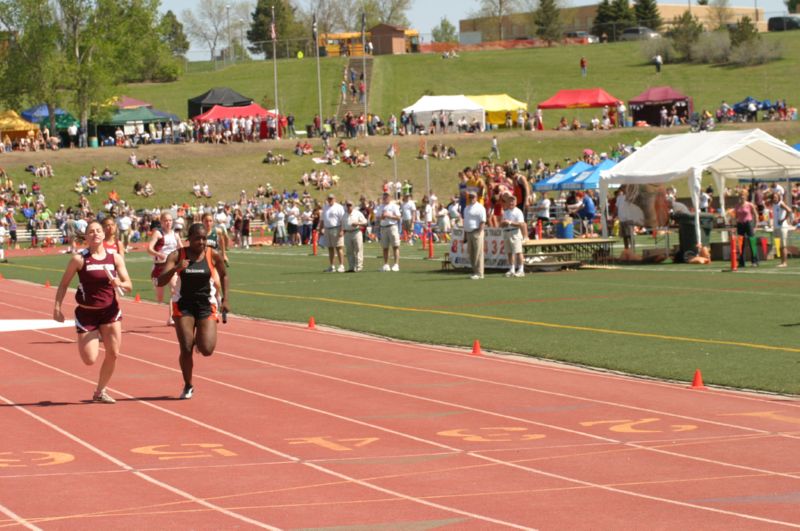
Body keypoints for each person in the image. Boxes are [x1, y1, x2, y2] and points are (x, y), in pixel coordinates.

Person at [53, 220, 132, 404]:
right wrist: (57, 308)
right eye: (91, 231)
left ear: (103, 234)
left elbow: (129, 285)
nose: (95, 233)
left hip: (110, 312)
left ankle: (100, 391)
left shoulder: (115, 258)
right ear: (86, 237)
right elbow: (63, 285)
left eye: (98, 230)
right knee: (90, 359)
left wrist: (119, 283)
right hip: (87, 314)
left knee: (113, 354)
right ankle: (94, 334)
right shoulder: (79, 259)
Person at [158, 223, 229, 400]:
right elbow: (160, 281)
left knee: (207, 349)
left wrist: (225, 299)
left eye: (204, 238)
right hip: (183, 305)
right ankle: (188, 385)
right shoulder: (177, 255)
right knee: (186, 347)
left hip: (206, 305)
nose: (202, 242)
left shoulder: (213, 255)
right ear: (188, 239)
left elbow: (224, 274)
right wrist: (176, 268)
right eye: (198, 238)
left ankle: (201, 339)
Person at [147, 212, 183, 324]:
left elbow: (181, 250)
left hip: (171, 266)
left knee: (174, 290)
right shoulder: (158, 233)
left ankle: (172, 317)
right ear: (161, 222)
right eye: (166, 220)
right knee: (160, 298)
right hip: (159, 267)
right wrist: (158, 254)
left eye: (170, 220)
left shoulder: (176, 235)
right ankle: (159, 292)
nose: (168, 223)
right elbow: (149, 249)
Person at [501, 194, 526, 277]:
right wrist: (503, 223)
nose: (511, 202)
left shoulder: (518, 211)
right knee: (509, 252)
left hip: (515, 232)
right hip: (507, 232)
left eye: (513, 201)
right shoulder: (506, 212)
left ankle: (521, 270)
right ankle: (512, 269)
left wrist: (510, 222)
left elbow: (521, 224)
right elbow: (502, 223)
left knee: (518, 251)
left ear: (515, 202)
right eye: (510, 201)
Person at [463, 190, 486, 280]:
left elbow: (483, 220)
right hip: (468, 232)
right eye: (470, 197)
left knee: (478, 253)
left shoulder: (480, 207)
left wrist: (480, 232)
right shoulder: (466, 208)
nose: (472, 198)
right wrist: (465, 235)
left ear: (476, 197)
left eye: (473, 197)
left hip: (476, 231)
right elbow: (465, 221)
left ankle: (480, 273)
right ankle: (475, 271)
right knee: (471, 253)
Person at [376, 191, 401, 271]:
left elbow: (398, 217)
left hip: (392, 226)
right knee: (385, 247)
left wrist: (389, 216)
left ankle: (396, 264)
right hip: (383, 227)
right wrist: (382, 217)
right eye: (384, 196)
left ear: (390, 197)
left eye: (387, 196)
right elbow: (377, 217)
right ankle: (386, 264)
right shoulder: (381, 206)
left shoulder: (394, 206)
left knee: (395, 246)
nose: (385, 198)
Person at [734, 191, 759, 268]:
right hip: (740, 225)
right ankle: (741, 262)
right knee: (741, 244)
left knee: (752, 242)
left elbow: (756, 215)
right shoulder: (737, 206)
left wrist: (755, 226)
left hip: (748, 223)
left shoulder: (749, 205)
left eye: (743, 195)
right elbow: (736, 216)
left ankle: (755, 261)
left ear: (746, 196)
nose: (742, 197)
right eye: (741, 195)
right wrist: (735, 224)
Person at [321, 193, 345, 272]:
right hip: (327, 229)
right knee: (330, 248)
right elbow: (323, 219)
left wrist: (342, 230)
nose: (330, 200)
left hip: (336, 228)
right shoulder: (325, 207)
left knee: (339, 247)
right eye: (329, 198)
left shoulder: (339, 207)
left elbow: (342, 220)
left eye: (331, 198)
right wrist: (321, 228)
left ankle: (341, 265)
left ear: (335, 199)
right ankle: (332, 266)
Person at [343, 199, 367, 272]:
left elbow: (365, 222)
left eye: (350, 205)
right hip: (347, 233)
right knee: (349, 251)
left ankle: (359, 267)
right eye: (347, 205)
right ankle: (351, 267)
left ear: (353, 206)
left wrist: (358, 223)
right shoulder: (344, 214)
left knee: (358, 250)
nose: (348, 207)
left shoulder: (358, 213)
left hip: (356, 232)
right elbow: (342, 225)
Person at [769, 191, 792, 268]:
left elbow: (789, 210)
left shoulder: (781, 204)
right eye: (773, 197)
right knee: (779, 246)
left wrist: (783, 220)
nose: (774, 198)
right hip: (776, 227)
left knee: (783, 246)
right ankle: (782, 262)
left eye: (776, 197)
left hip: (782, 227)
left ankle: (784, 262)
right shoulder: (774, 205)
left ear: (779, 197)